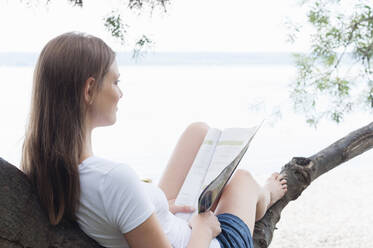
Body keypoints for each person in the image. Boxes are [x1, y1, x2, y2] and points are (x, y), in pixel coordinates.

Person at [21, 32, 287, 248]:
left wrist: (159, 208)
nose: (121, 93)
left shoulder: (49, 168)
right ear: (89, 89)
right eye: (115, 82)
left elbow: (119, 212)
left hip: (172, 225)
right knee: (241, 180)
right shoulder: (112, 179)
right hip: (208, 242)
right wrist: (204, 230)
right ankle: (266, 194)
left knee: (198, 132)